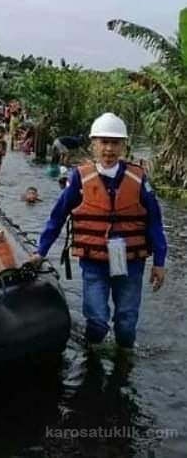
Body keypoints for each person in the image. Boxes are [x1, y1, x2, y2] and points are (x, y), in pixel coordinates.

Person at [29, 112, 167, 352]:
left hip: (130, 260)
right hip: (94, 260)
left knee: (126, 325)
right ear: (94, 144)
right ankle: (92, 352)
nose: (109, 149)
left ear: (123, 145)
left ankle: (124, 358)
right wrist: (41, 251)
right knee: (97, 322)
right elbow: (58, 216)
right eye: (104, 142)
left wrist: (160, 261)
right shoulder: (80, 177)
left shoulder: (138, 178)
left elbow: (154, 221)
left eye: (115, 143)